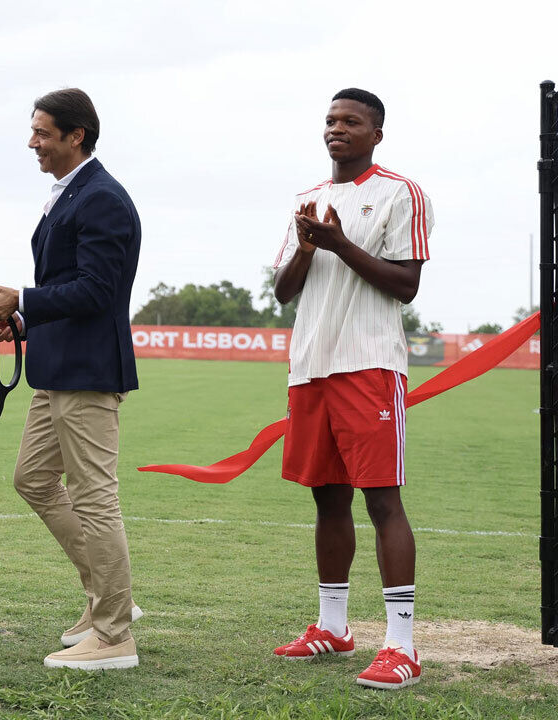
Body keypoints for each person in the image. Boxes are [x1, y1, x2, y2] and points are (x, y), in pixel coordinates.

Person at [269, 88, 432, 690]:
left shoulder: (400, 192)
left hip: (368, 364)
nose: (337, 129)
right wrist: (310, 247)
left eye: (351, 121)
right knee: (327, 500)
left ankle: (402, 646)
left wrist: (341, 244)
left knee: (382, 500)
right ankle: (332, 628)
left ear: (376, 133)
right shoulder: (306, 200)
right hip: (311, 364)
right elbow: (284, 290)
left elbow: (406, 285)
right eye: (331, 120)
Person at [0, 88, 141, 670]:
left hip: (89, 373)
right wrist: (20, 317)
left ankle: (115, 634)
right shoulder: (71, 195)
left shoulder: (102, 199)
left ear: (77, 136)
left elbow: (97, 291)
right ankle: (107, 597)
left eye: (43, 132)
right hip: (57, 369)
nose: (32, 142)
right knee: (33, 480)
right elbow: (70, 286)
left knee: (96, 497)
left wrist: (25, 299)